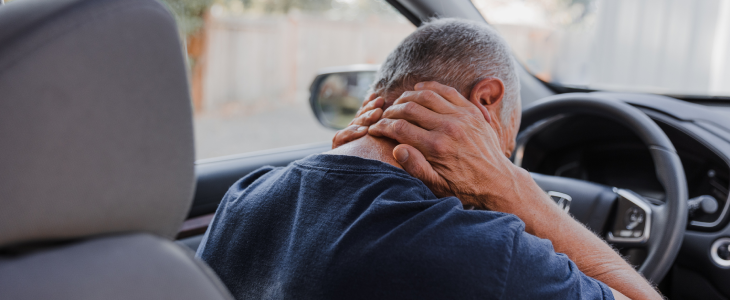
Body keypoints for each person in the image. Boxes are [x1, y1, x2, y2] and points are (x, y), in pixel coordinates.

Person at [197, 18, 661, 300]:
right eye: (505, 145)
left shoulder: (246, 200)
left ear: (375, 102)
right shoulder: (486, 252)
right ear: (486, 101)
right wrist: (512, 188)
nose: (500, 160)